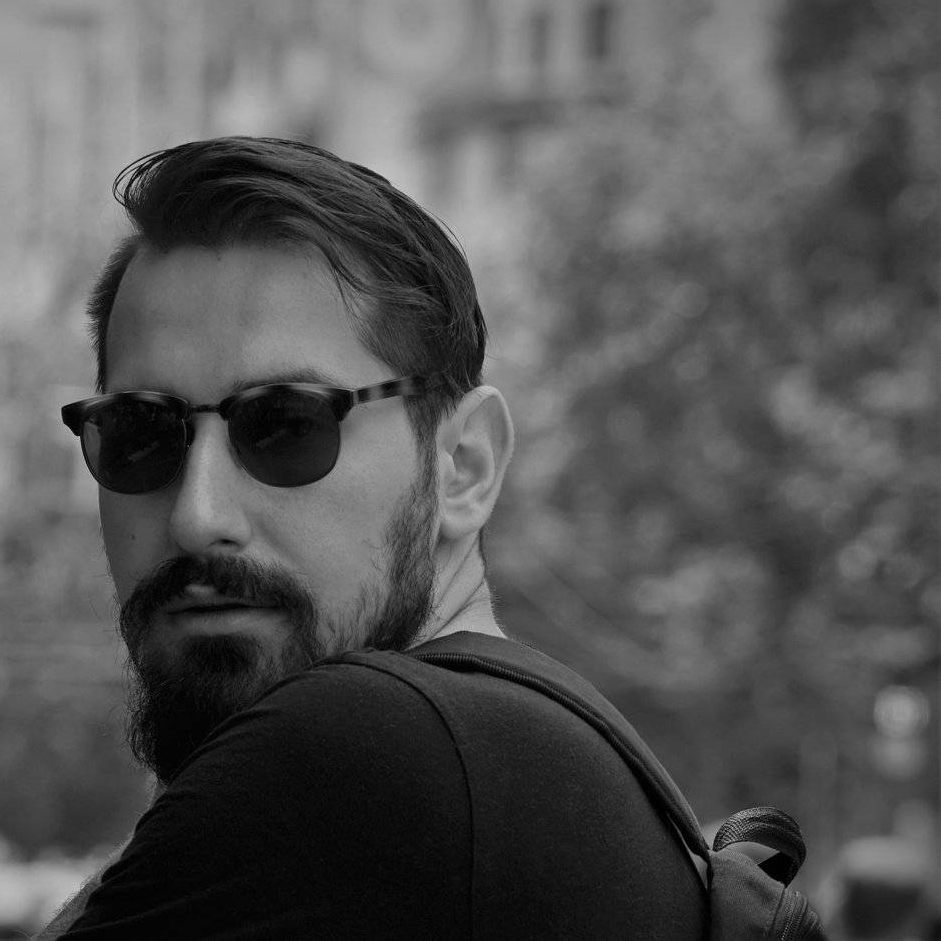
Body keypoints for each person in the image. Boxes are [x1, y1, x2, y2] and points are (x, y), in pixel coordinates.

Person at [44, 136, 706, 938]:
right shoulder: (531, 759)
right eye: (141, 433)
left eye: (285, 425)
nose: (197, 513)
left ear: (464, 465)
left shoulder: (367, 748)